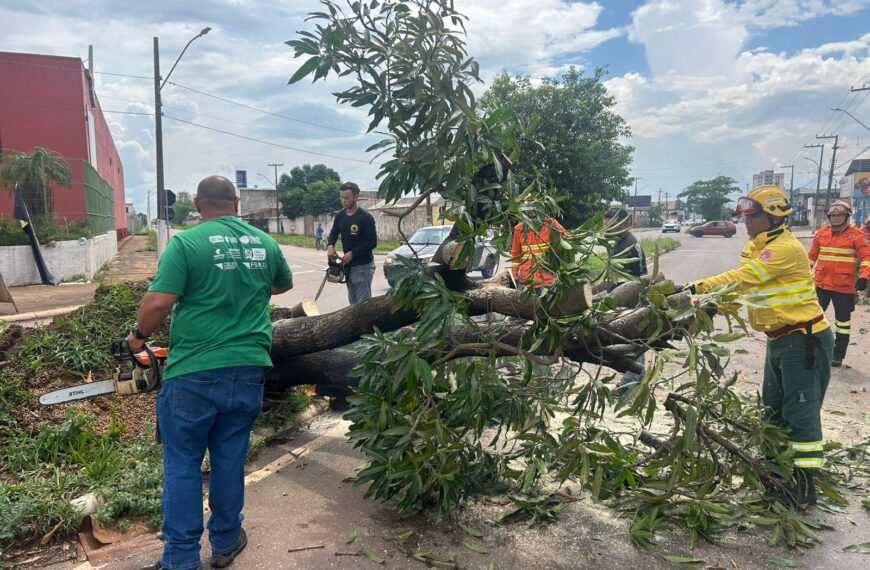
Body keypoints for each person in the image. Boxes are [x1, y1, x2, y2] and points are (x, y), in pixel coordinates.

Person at [130, 175, 293, 570]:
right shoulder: (265, 243)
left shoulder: (186, 243)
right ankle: (224, 542)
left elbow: (157, 302)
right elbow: (282, 285)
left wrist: (137, 339)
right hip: (249, 369)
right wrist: (243, 285)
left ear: (199, 205)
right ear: (236, 203)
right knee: (229, 459)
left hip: (195, 373)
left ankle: (181, 558)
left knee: (183, 462)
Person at [687, 185, 832, 507]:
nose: (746, 221)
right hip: (779, 340)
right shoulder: (755, 246)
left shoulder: (785, 248)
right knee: (772, 411)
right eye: (744, 216)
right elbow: (742, 293)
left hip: (803, 340)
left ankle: (803, 488)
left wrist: (697, 288)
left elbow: (743, 279)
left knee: (800, 414)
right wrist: (709, 309)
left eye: (752, 216)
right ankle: (773, 475)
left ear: (773, 216)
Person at [807, 200, 870, 367]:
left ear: (847, 216)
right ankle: (812, 350)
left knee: (842, 323)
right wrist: (802, 276)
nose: (835, 218)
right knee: (812, 318)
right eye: (832, 215)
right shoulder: (821, 234)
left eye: (839, 215)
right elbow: (811, 258)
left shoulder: (857, 235)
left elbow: (865, 258)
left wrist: (864, 276)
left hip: (844, 286)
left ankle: (838, 354)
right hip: (821, 285)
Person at [602, 205, 648, 396]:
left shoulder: (627, 245)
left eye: (611, 225)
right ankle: (635, 379)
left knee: (632, 341)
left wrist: (598, 292)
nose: (607, 229)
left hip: (631, 298)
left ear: (624, 224)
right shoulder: (620, 242)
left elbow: (616, 281)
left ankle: (630, 382)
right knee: (633, 339)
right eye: (606, 225)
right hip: (627, 295)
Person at [326, 182, 377, 304]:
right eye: (342, 197)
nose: (344, 201)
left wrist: (353, 253)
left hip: (363, 267)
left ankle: (366, 324)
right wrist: (330, 245)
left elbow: (372, 242)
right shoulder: (340, 216)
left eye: (347, 198)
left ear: (356, 197)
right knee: (353, 304)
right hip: (348, 267)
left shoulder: (365, 218)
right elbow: (333, 233)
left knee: (363, 307)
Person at [510, 217, 566, 291]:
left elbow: (567, 239)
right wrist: (515, 276)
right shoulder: (519, 228)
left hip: (548, 278)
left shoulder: (551, 224)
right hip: (528, 280)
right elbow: (516, 255)